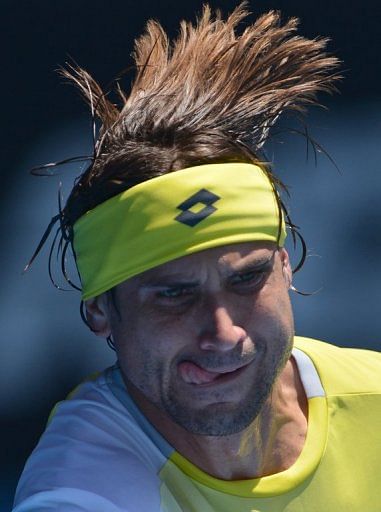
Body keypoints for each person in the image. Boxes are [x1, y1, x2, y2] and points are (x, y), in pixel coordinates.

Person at [13, 5, 381, 511]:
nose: (224, 332)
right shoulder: (79, 488)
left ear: (285, 267)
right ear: (99, 309)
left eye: (248, 279)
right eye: (174, 295)